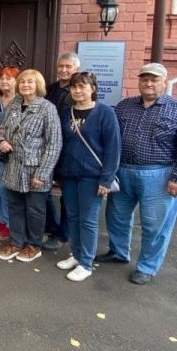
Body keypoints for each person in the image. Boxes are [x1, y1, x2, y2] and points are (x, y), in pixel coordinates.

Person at [101, 62, 177, 285]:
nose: (148, 83)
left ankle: (147, 266)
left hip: (158, 175)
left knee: (154, 224)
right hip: (124, 171)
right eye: (145, 79)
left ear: (164, 82)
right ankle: (118, 252)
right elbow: (110, 137)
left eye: (154, 79)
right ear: (139, 81)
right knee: (116, 216)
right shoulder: (125, 106)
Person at [54, 72, 121, 282]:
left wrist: (106, 179)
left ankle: (86, 263)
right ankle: (76, 254)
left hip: (92, 176)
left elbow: (113, 148)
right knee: (72, 216)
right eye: (74, 87)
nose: (77, 91)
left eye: (82, 87)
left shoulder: (105, 113)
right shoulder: (67, 112)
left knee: (88, 220)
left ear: (92, 89)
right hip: (69, 174)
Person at [0, 68, 63, 263]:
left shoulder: (47, 108)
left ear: (38, 85)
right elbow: (1, 129)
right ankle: (16, 242)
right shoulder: (14, 104)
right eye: (23, 82)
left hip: (35, 169)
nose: (25, 85)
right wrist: (1, 141)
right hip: (13, 166)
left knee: (35, 210)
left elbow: (54, 143)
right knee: (15, 207)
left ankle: (33, 245)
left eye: (30, 82)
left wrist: (42, 174)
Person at [42, 51, 80, 250]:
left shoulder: (78, 90)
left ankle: (63, 233)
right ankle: (52, 228)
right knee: (43, 191)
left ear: (76, 69)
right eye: (61, 67)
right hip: (47, 147)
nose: (64, 70)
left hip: (67, 149)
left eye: (68, 67)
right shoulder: (51, 89)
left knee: (67, 196)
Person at [0, 67, 19, 237]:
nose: (4, 81)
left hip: (11, 154)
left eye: (9, 78)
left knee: (7, 188)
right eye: (2, 78)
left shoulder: (21, 101)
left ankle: (11, 223)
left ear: (16, 81)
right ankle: (3, 220)